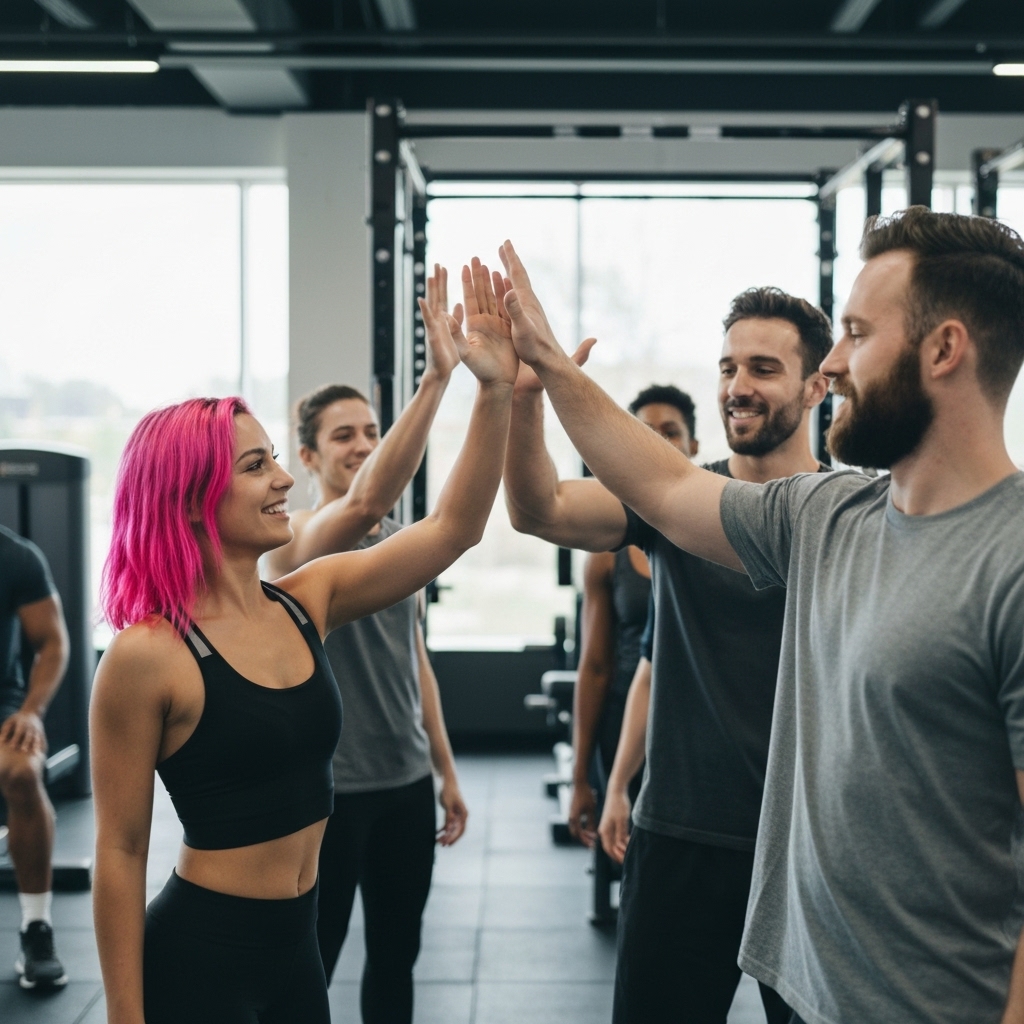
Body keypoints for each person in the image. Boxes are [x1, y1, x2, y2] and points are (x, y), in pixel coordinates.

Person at [496, 209, 1024, 1024]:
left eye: (855, 333)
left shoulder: (1009, 561)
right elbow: (666, 488)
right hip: (806, 950)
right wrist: (539, 369)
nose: (840, 362)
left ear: (945, 349)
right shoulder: (824, 515)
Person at [89, 257, 518, 1024]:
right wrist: (126, 1018)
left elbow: (455, 530)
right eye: (258, 466)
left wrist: (492, 392)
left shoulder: (305, 602)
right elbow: (120, 855)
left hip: (296, 954)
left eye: (277, 460)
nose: (285, 481)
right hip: (201, 957)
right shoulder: (148, 655)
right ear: (192, 499)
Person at [505, 282, 830, 1023]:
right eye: (726, 369)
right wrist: (525, 397)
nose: (737, 388)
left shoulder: (843, 513)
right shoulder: (676, 498)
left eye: (762, 369)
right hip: (683, 832)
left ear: (816, 386)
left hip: (806, 845)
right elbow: (537, 510)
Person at [266, 266, 469, 1022]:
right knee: (315, 957)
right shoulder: (297, 549)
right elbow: (367, 500)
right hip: (330, 794)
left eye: (370, 432)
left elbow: (412, 662)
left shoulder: (393, 549)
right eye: (342, 435)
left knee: (396, 957)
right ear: (309, 457)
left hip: (403, 783)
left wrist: (443, 768)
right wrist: (436, 381)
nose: (361, 444)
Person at [0, 524, 70, 990]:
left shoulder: (14, 556)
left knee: (24, 771)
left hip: (4, 707)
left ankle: (36, 926)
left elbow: (52, 642)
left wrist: (32, 712)